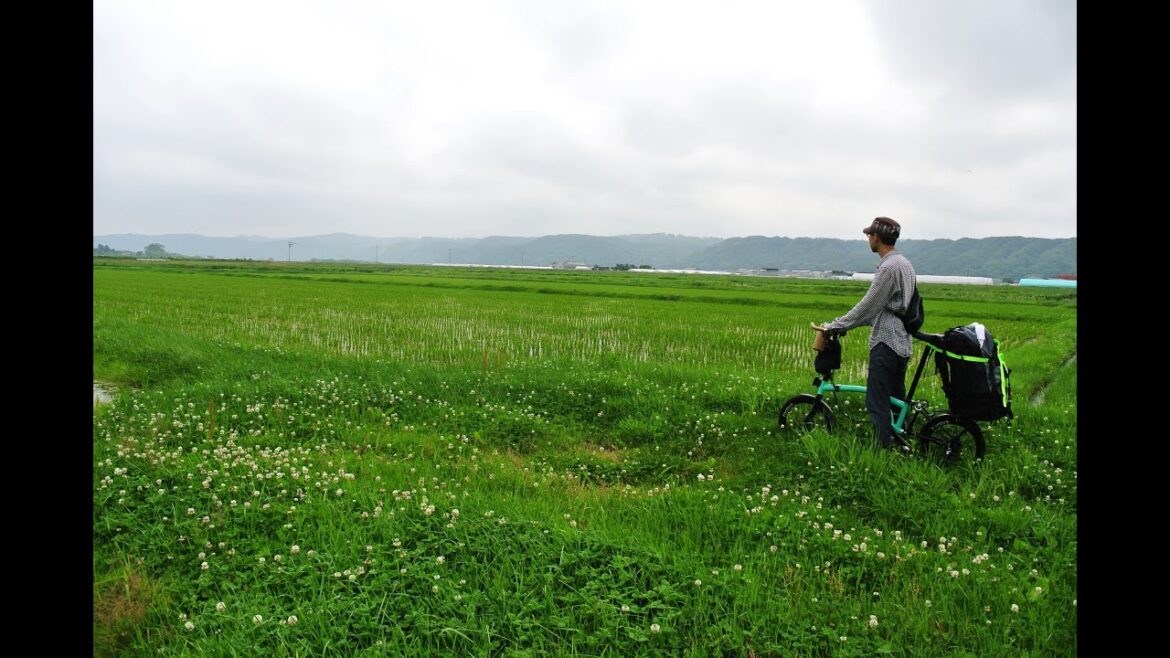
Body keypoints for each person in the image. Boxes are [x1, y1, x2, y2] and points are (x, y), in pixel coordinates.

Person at [822, 217, 917, 450]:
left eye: (869, 235)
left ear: (876, 237)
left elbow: (868, 306)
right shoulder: (904, 263)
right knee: (896, 398)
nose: (868, 239)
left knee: (877, 401)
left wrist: (837, 325)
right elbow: (886, 307)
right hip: (902, 340)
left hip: (887, 342)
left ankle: (879, 452)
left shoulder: (888, 268)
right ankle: (903, 443)